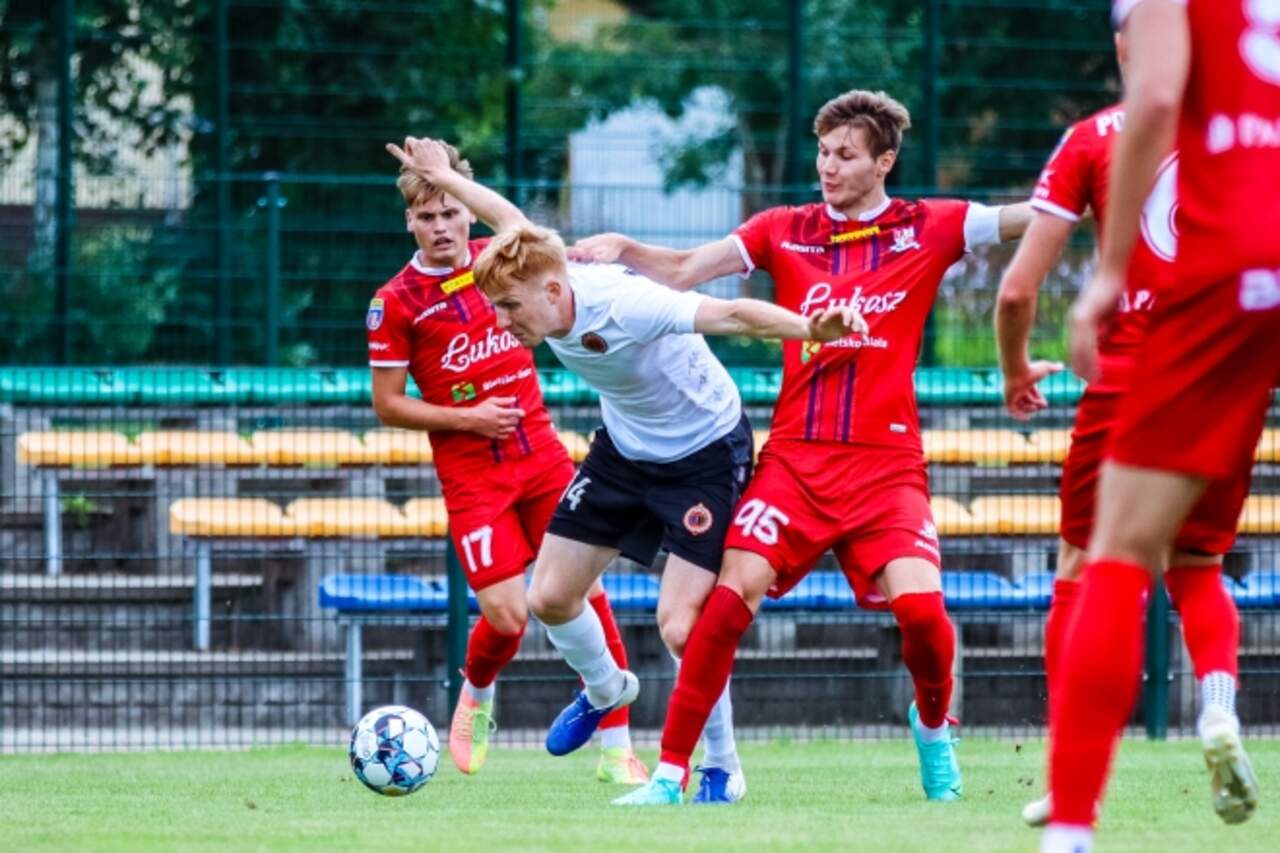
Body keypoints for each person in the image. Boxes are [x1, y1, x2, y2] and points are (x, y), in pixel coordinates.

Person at [572, 88, 1033, 806]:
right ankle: (671, 775)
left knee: (924, 617)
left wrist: (1104, 181)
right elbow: (687, 268)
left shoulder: (928, 226)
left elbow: (1028, 216)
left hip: (886, 469)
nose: (828, 166)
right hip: (795, 462)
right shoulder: (783, 229)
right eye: (822, 152)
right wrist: (625, 250)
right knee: (726, 604)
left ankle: (932, 726)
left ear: (885, 161)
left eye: (845, 154)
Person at [994, 25, 1250, 828]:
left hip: (1128, 380)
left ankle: (1073, 787)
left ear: (1123, 45)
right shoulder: (1244, 131)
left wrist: (1015, 370)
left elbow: (1016, 291)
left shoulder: (1095, 137)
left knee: (1088, 565)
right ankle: (1218, 704)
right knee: (1199, 562)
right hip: (1227, 371)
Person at [1045, 1, 1278, 849]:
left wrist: (1107, 275)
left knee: (1117, 553)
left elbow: (1153, 99)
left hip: (1230, 266)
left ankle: (1069, 827)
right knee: (1199, 560)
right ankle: (1219, 704)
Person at [368, 139, 646, 784]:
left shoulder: (500, 264)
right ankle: (477, 692)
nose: (441, 226)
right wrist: (468, 418)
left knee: (586, 593)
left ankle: (618, 751)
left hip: (540, 456)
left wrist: (450, 178)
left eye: (450, 212)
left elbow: (523, 231)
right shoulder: (396, 301)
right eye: (427, 216)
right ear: (409, 221)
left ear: (468, 211)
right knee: (507, 615)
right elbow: (387, 404)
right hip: (473, 477)